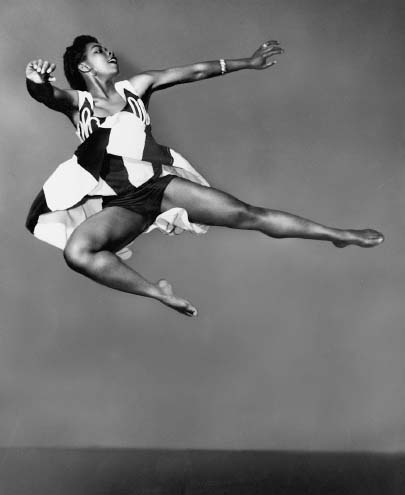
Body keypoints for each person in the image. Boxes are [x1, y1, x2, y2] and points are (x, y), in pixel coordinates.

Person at [25, 35, 384, 317]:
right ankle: (156, 292)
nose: (109, 53)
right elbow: (46, 94)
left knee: (247, 214)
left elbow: (194, 71)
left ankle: (336, 234)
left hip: (160, 187)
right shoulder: (78, 104)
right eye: (98, 51)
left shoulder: (137, 87)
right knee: (78, 252)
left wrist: (247, 62)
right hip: (121, 204)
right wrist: (35, 80)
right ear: (85, 67)